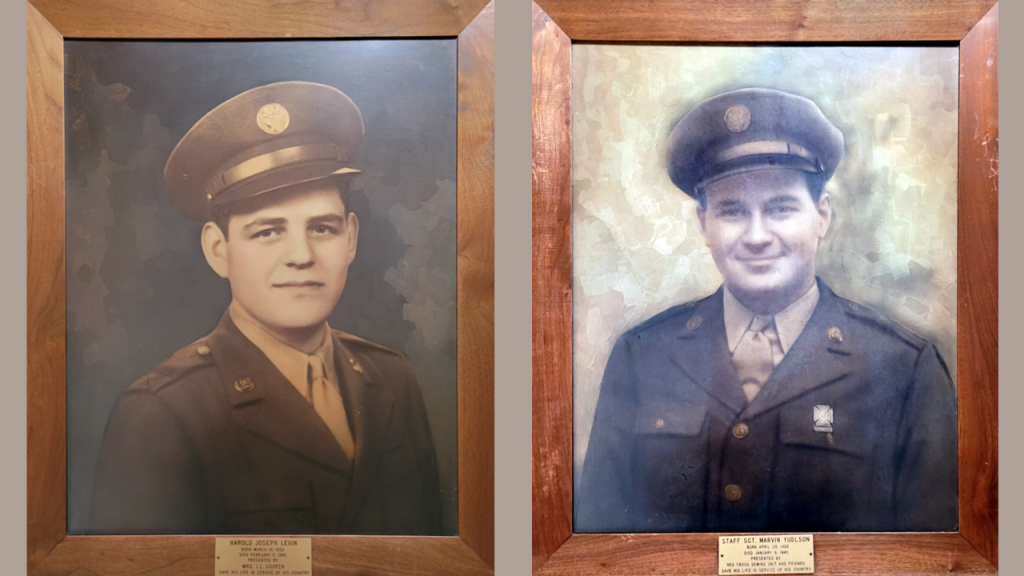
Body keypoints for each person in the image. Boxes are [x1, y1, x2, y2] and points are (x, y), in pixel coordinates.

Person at [576, 88, 958, 533]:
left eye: (780, 208)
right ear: (704, 225)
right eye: (733, 211)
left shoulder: (903, 368)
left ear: (822, 216)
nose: (757, 235)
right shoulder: (642, 358)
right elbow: (598, 548)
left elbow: (936, 556)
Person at [90, 81, 442, 535]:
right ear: (219, 250)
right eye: (267, 232)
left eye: (322, 227)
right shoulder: (160, 414)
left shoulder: (392, 379)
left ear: (350, 238)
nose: (301, 255)